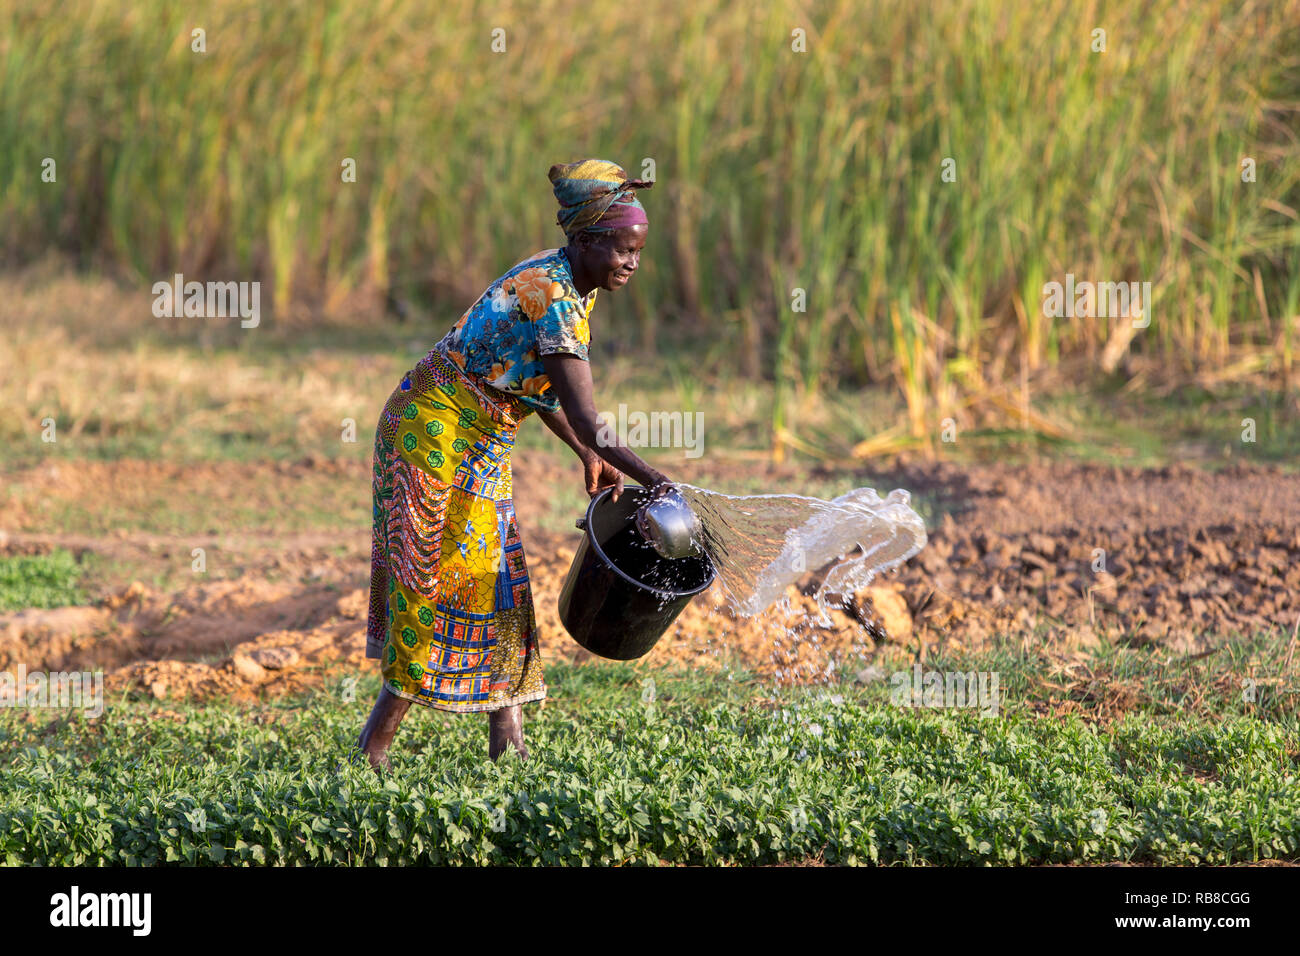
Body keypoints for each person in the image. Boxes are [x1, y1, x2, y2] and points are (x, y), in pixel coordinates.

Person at [353, 159, 671, 770]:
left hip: (476, 438)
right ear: (583, 241)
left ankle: (510, 744)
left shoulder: (573, 284)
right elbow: (585, 414)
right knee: (437, 576)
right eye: (622, 250)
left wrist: (588, 455)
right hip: (432, 432)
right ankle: (374, 749)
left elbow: (535, 389)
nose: (631, 263)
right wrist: (657, 480)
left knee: (499, 573)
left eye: (638, 252)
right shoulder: (550, 292)